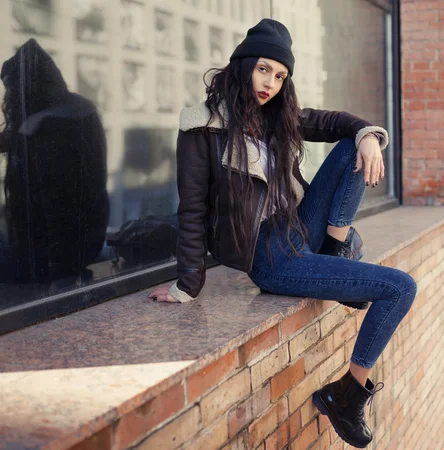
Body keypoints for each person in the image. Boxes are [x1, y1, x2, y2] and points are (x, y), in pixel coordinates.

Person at [149, 19, 417, 448]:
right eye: (263, 69)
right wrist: (187, 285)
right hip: (271, 258)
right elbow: (193, 208)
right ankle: (346, 395)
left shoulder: (278, 118)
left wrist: (368, 135)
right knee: (401, 288)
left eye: (280, 75)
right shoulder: (202, 129)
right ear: (243, 64)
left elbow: (335, 122)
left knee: (353, 143)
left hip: (300, 231)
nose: (270, 82)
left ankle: (333, 248)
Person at [0, 39, 109, 285]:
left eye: (11, 88)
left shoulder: (47, 128)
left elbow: (58, 204)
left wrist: (59, 269)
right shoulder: (74, 112)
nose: (8, 97)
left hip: (48, 259)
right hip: (81, 247)